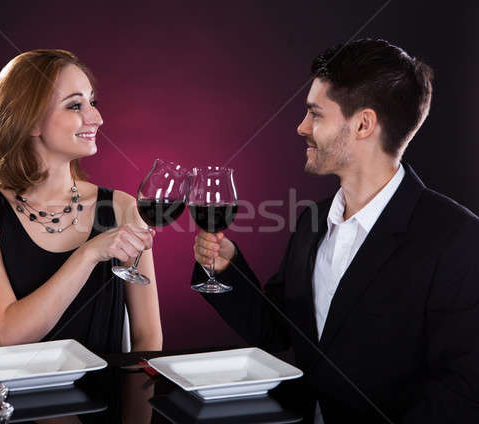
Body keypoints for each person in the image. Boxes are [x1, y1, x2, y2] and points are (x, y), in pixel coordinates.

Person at [192, 39, 479, 422]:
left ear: (363, 124)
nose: (301, 127)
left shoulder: (458, 239)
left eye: (315, 114)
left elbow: (464, 392)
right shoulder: (313, 220)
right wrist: (227, 269)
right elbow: (276, 331)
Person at [0, 49, 162, 354]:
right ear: (31, 121)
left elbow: (148, 340)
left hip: (106, 398)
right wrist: (89, 253)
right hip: (11, 400)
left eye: (92, 102)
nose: (97, 118)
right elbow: (9, 334)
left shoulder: (123, 207)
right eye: (75, 105)